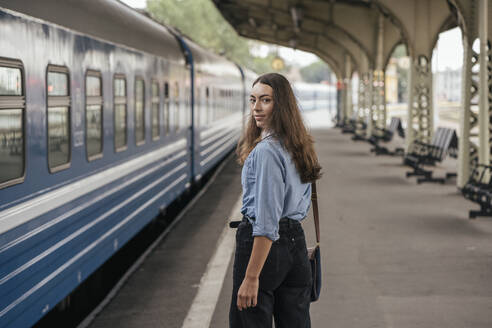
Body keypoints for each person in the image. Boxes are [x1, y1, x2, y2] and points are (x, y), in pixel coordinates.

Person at [230, 73, 322, 328]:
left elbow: (268, 220)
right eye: (252, 100)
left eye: (265, 100)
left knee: (249, 321)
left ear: (280, 105)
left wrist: (251, 277)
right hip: (296, 245)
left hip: (265, 246)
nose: (256, 108)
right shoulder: (299, 145)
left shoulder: (266, 151)